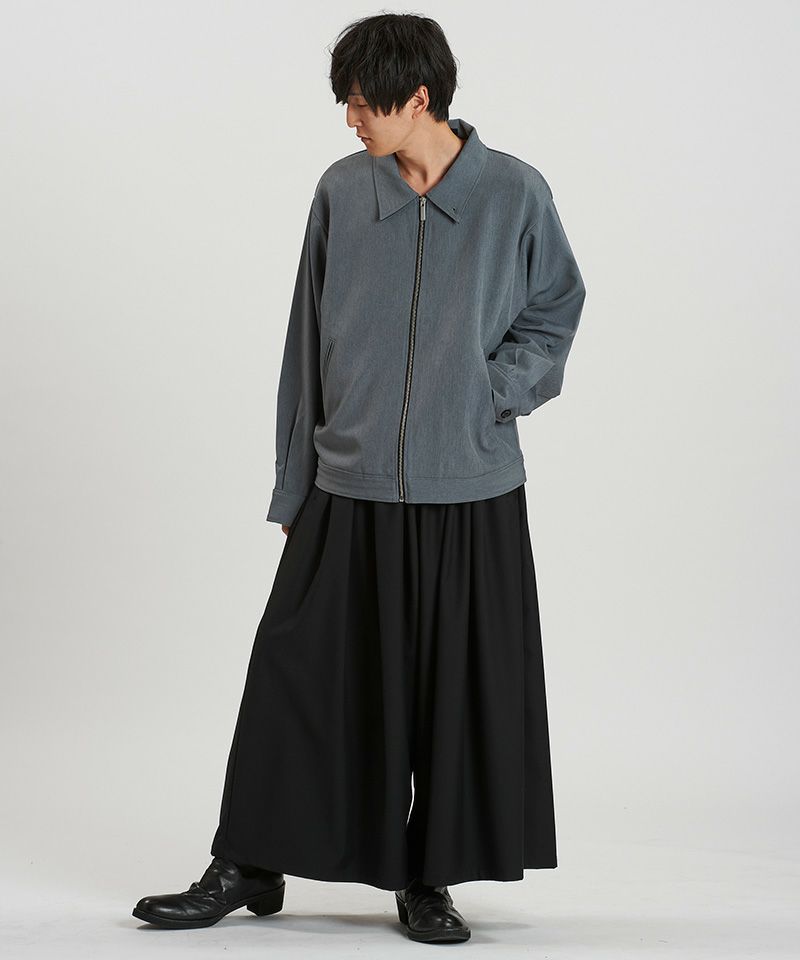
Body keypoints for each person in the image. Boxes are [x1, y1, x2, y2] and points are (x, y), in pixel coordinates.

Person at [132, 12, 586, 945]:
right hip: (348, 485)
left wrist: (492, 392)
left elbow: (555, 310)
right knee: (293, 677)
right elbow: (306, 341)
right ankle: (249, 861)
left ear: (418, 98)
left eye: (361, 102)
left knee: (447, 695)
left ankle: (427, 879)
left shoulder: (513, 192)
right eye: (345, 101)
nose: (349, 119)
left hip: (470, 488)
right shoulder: (342, 191)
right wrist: (294, 484)